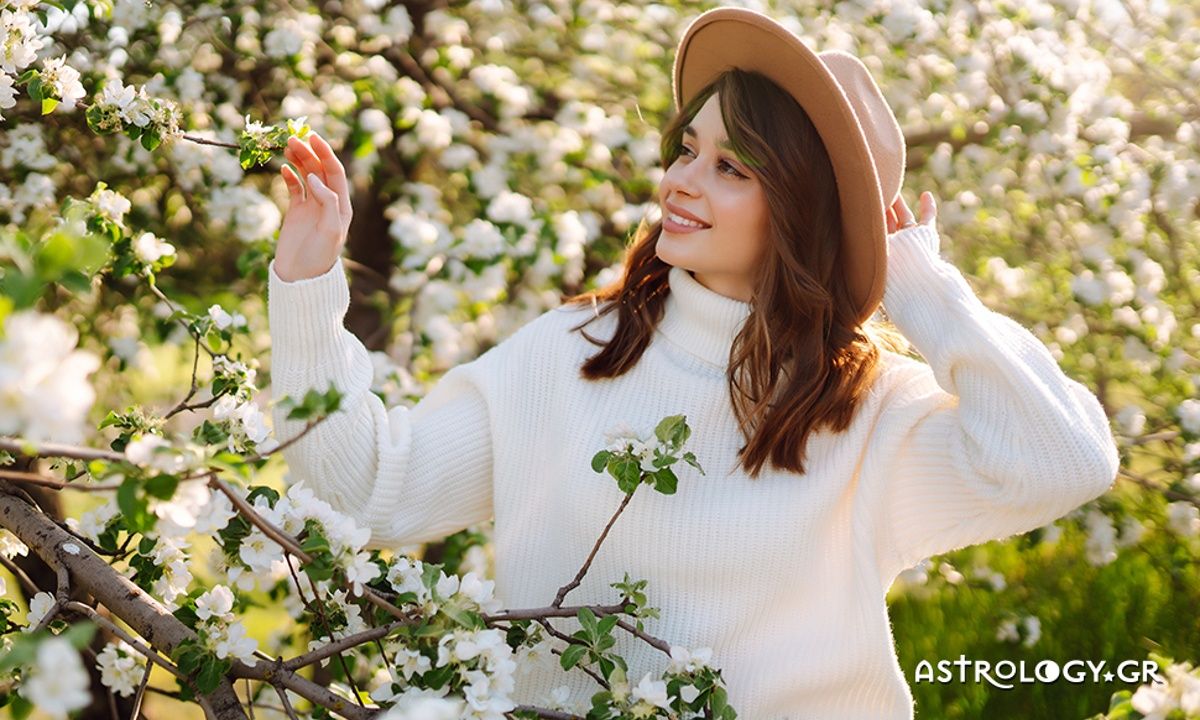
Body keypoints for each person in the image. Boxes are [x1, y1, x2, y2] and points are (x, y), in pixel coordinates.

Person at [266, 7, 1120, 718]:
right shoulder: (575, 353)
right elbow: (371, 492)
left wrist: (923, 288)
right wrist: (307, 282)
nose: (680, 179)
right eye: (685, 148)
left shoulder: (866, 410)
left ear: (797, 210)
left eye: (729, 166)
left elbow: (1063, 462)